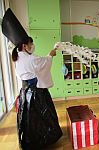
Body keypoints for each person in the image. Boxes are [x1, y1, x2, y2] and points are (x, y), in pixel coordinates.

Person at [2, 9, 62, 149]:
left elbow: (38, 64)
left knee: (29, 118)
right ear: (24, 45)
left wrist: (48, 56)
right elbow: (43, 63)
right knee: (42, 116)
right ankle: (44, 139)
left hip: (24, 92)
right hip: (36, 92)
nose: (32, 46)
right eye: (30, 44)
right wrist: (51, 54)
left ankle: (30, 140)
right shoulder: (31, 58)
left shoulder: (17, 58)